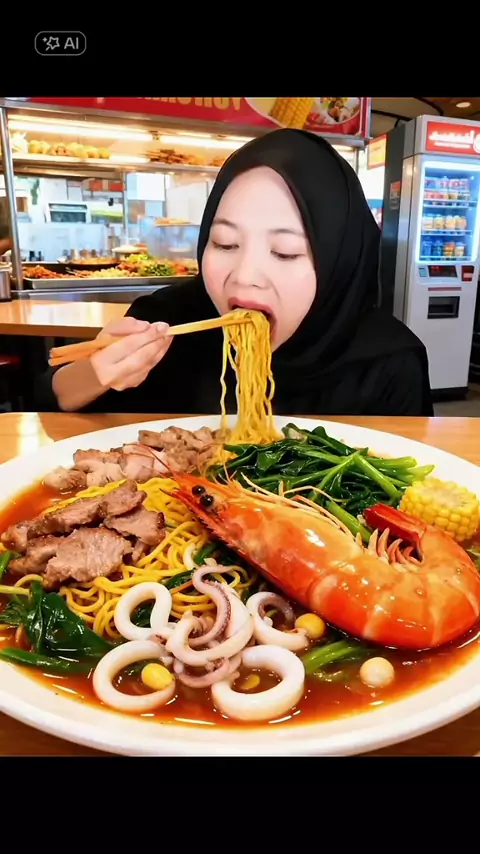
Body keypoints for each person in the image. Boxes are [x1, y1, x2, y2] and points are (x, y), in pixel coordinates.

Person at [43, 128, 434, 417]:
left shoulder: (389, 362)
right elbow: (49, 399)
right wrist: (96, 373)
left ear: (338, 263)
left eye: (285, 252)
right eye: (225, 244)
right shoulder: (167, 320)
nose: (244, 276)